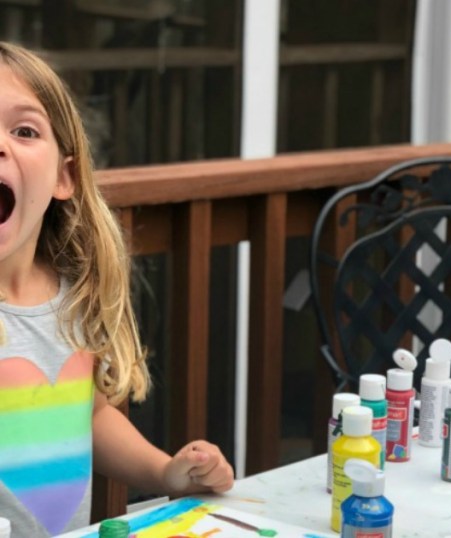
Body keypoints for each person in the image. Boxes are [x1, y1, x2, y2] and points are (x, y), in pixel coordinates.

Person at [0, 42, 234, 537]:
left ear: (64, 177)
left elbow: (89, 415)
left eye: (23, 130)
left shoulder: (72, 297)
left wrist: (164, 472)